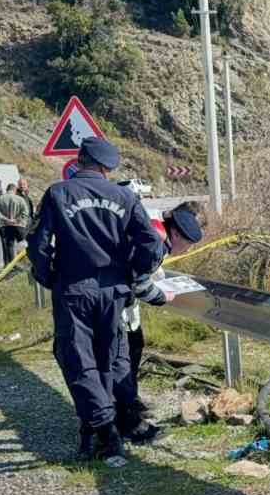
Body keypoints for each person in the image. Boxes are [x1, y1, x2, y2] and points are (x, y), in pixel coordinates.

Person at [27, 137, 162, 466]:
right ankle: (95, 430)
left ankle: (105, 433)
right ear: (108, 167)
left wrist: (47, 277)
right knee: (108, 359)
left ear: (79, 160)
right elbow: (151, 243)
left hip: (74, 289)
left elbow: (38, 243)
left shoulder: (58, 194)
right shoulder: (125, 196)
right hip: (114, 293)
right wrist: (136, 273)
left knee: (78, 359)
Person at [114, 202, 205, 442]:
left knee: (135, 346)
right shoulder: (154, 239)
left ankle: (130, 403)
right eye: (186, 244)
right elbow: (139, 281)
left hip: (122, 305)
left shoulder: (154, 230)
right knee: (120, 363)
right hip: (115, 305)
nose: (186, 251)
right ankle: (128, 424)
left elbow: (147, 271)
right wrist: (161, 296)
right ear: (175, 233)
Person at [0, 183, 30, 266]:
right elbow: (25, 212)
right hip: (19, 225)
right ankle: (23, 263)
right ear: (14, 190)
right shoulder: (20, 199)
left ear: (7, 189)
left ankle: (12, 265)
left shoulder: (0, 199)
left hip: (5, 225)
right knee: (22, 244)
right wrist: (17, 220)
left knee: (9, 245)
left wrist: (5, 219)